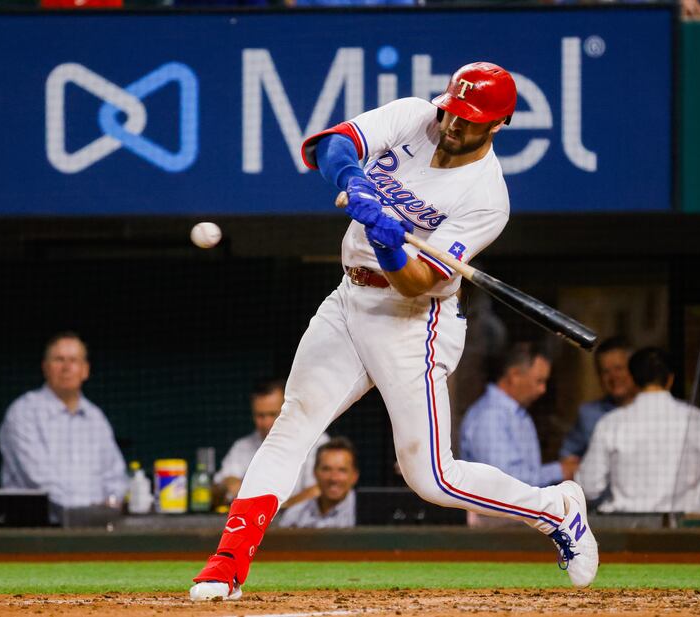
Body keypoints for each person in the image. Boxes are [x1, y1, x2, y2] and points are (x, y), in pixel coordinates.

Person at [190, 62, 598, 601]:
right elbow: (332, 145)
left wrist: (388, 241)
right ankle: (227, 563)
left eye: (470, 118)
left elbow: (418, 283)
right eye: (453, 109)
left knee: (430, 477)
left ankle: (555, 510)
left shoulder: (485, 198)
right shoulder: (415, 116)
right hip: (347, 299)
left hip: (413, 321)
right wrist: (354, 182)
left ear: (498, 124)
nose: (453, 123)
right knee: (294, 422)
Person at [576, 347, 700, 513]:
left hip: (628, 530)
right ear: (670, 380)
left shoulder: (611, 423)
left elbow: (588, 487)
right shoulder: (697, 421)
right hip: (684, 529)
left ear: (632, 380)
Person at [0, 332, 128, 516]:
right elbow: (38, 481)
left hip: (95, 529)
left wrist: (110, 506)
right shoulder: (24, 412)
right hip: (38, 531)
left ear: (85, 370)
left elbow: (115, 477)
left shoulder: (95, 417)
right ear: (45, 367)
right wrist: (88, 513)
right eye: (59, 359)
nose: (66, 367)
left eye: (74, 360)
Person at [460, 343, 578, 489]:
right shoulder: (490, 416)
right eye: (539, 381)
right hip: (493, 511)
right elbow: (505, 481)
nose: (543, 389)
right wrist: (560, 471)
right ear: (515, 375)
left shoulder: (517, 413)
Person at [214, 379, 329, 508]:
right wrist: (228, 484)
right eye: (260, 416)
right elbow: (218, 486)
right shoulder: (243, 446)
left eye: (273, 414)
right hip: (256, 523)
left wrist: (272, 510)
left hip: (303, 524)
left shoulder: (315, 441)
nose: (266, 423)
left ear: (288, 410)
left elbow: (317, 490)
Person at [559, 337, 638, 469]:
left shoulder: (651, 410)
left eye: (619, 368)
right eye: (605, 371)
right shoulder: (588, 414)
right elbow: (567, 457)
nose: (613, 377)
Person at [277, 436, 359, 529]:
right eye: (326, 469)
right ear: (314, 473)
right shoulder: (294, 515)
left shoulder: (369, 514)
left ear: (354, 476)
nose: (334, 478)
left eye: (342, 470)